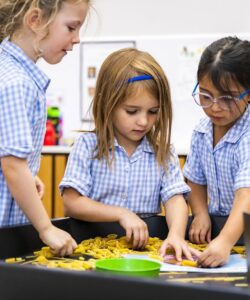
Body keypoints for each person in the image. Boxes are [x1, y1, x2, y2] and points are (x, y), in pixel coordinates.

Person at [59, 48, 200, 261]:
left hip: (146, 253)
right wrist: (122, 213)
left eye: (153, 112)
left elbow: (175, 199)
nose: (143, 121)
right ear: (108, 104)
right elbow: (72, 202)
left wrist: (176, 235)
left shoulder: (162, 151)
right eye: (132, 111)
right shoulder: (88, 147)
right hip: (93, 252)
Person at [183, 36, 250, 267]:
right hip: (226, 226)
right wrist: (200, 213)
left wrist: (224, 241)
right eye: (205, 95)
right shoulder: (202, 132)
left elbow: (245, 198)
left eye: (227, 98)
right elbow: (195, 181)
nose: (214, 106)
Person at [0, 0, 90, 256]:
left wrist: (27, 174)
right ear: (35, 20)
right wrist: (45, 228)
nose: (77, 39)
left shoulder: (7, 69)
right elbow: (12, 166)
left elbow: (10, 158)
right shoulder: (17, 83)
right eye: (71, 28)